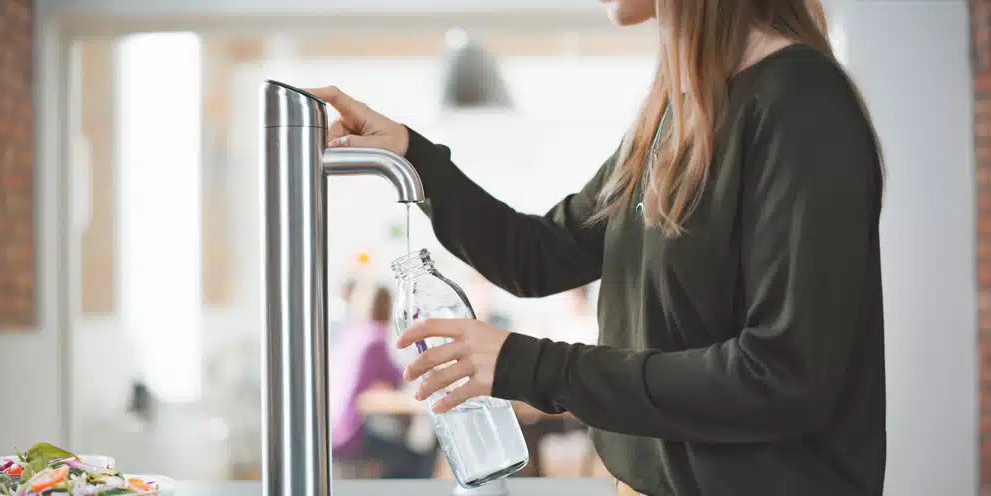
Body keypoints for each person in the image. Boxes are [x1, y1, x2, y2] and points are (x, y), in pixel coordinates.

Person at [310, 1, 885, 494]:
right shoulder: (675, 115)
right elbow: (539, 254)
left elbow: (781, 378)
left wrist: (529, 365)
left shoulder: (802, 105)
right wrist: (414, 156)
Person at [330, 285, 434, 479]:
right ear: (387, 307)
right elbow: (401, 377)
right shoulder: (375, 339)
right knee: (418, 459)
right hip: (352, 432)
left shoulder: (351, 335)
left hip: (333, 427)